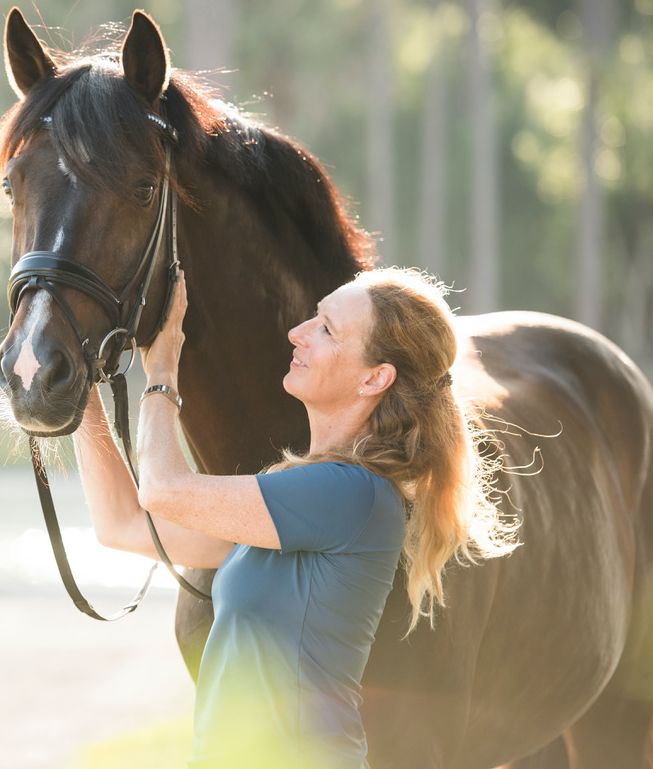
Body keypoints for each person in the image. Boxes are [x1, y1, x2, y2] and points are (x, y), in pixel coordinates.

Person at [71, 267, 520, 769]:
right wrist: (77, 376)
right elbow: (124, 524)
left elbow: (163, 490)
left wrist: (162, 375)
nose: (297, 333)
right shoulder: (296, 503)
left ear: (375, 377)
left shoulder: (352, 495)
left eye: (326, 329)